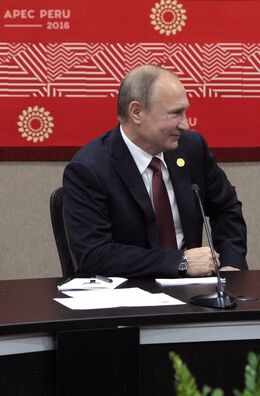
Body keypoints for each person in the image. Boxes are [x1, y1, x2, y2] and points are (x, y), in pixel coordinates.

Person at [63, 65, 248, 278]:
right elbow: (94, 254)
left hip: (193, 295)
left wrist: (231, 265)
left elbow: (227, 208)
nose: (185, 124)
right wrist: (180, 262)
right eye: (175, 114)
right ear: (136, 112)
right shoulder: (89, 169)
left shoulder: (191, 148)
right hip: (128, 297)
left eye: (185, 112)